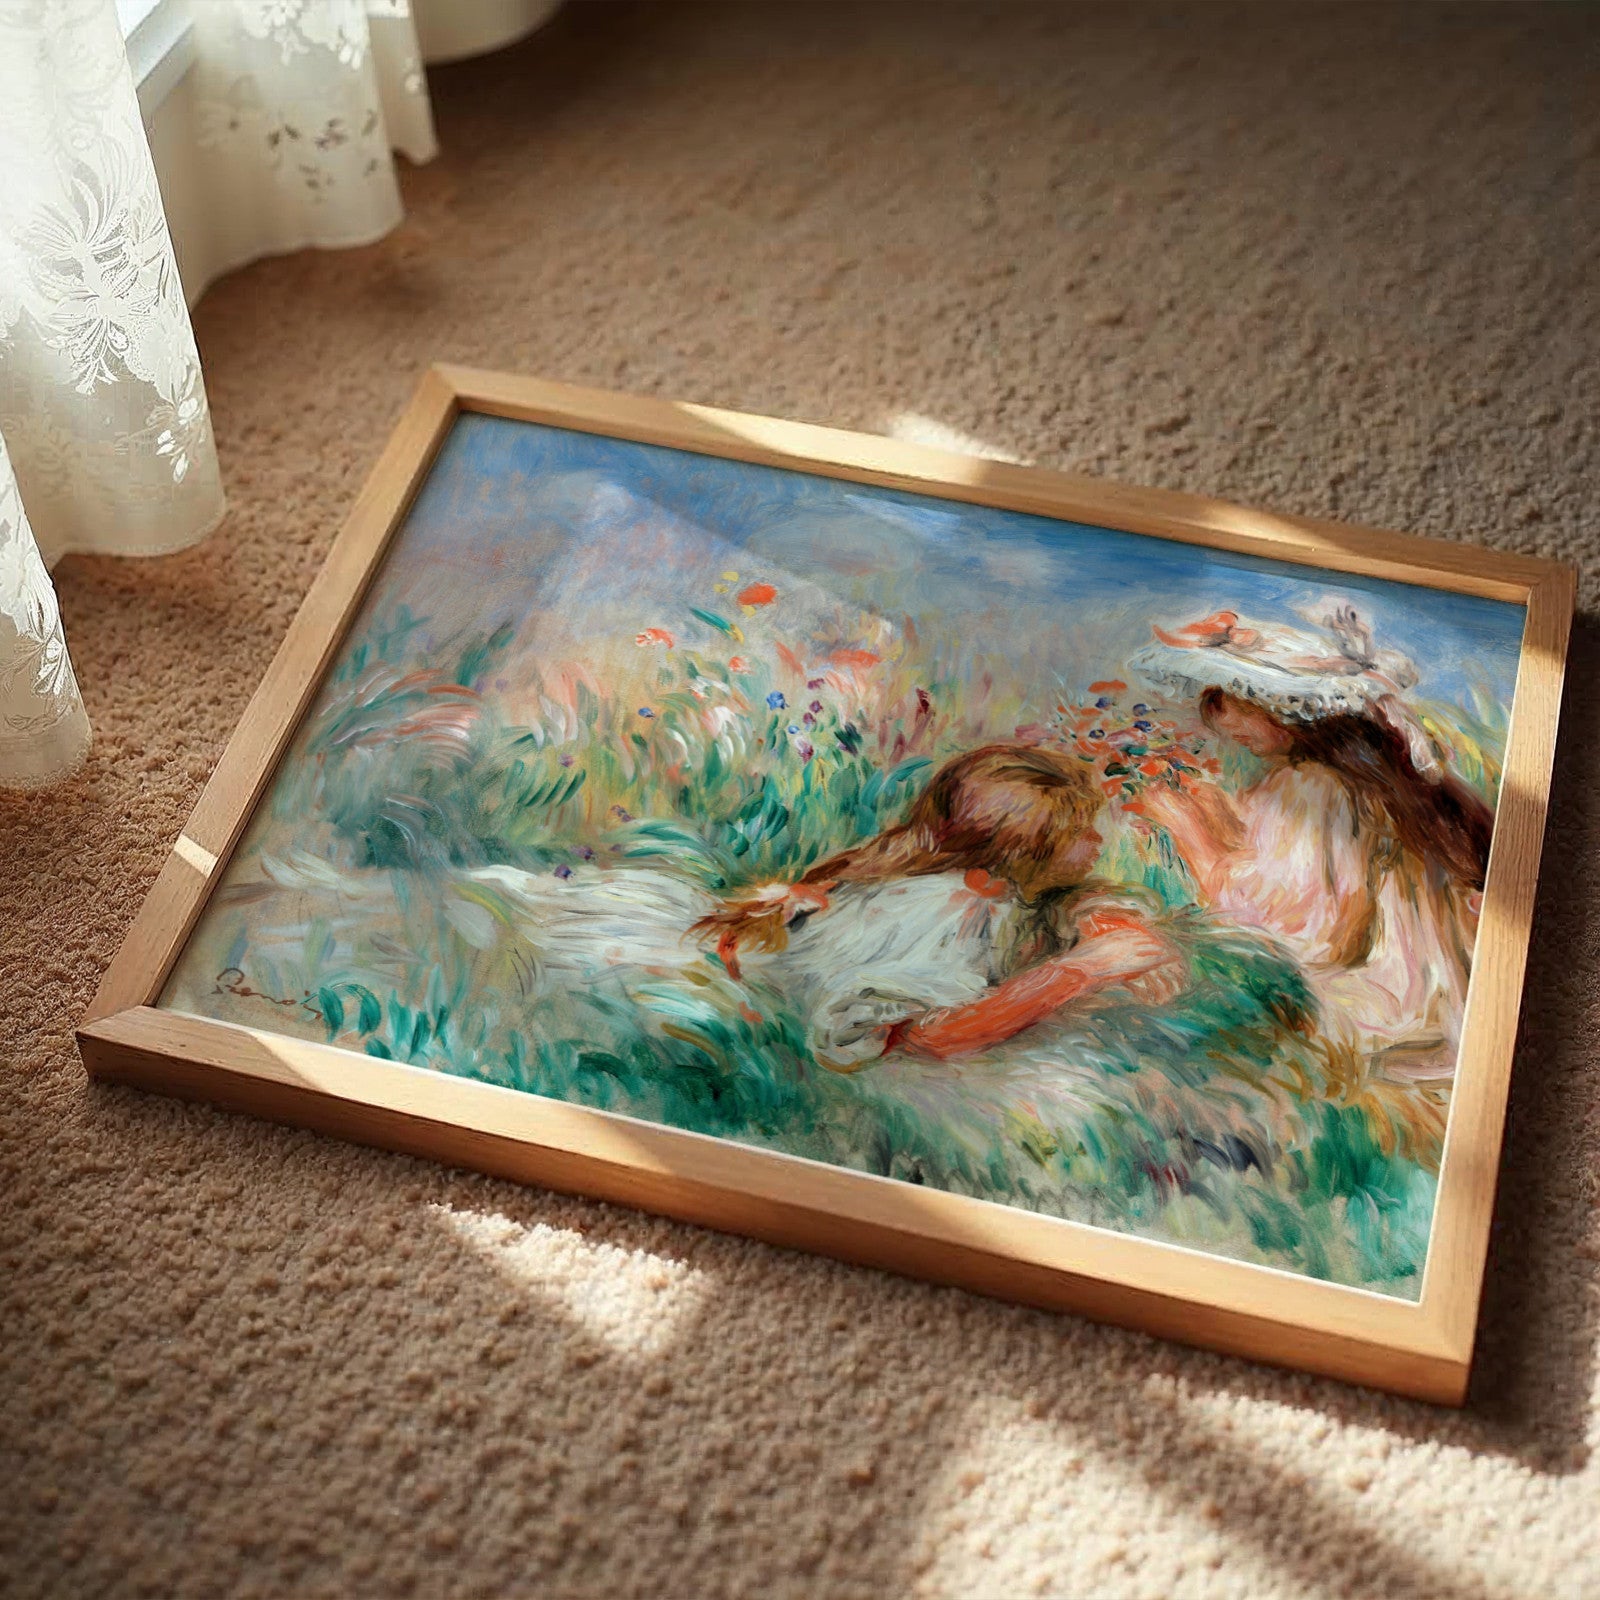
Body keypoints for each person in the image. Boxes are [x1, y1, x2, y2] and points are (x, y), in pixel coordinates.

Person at [1131, 607, 1493, 1081]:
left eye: (1236, 704)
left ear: (1281, 708)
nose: (1225, 723)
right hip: (1413, 989)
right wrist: (1219, 821)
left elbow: (1305, 933)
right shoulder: (1356, 781)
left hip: (1377, 1000)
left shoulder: (1309, 787)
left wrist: (1192, 834)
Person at [692, 743, 1184, 1070]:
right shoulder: (959, 910)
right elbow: (929, 1037)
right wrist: (1081, 971)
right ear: (1024, 849)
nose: (1098, 841)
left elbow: (1070, 897)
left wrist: (1101, 918)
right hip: (756, 1025)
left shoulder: (977, 884)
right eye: (1080, 832)